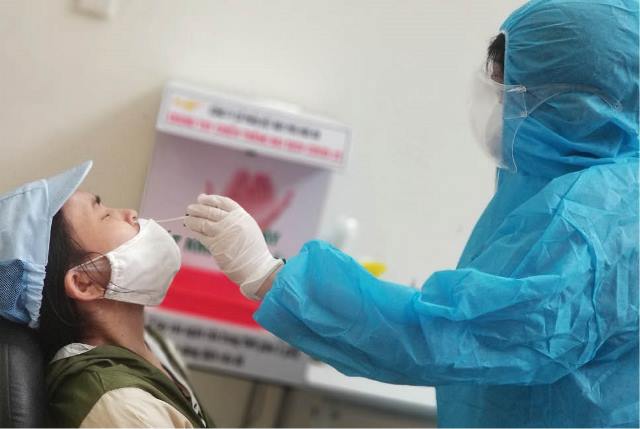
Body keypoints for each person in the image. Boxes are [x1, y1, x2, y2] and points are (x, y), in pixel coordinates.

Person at [183, 0, 639, 427]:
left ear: (575, 106)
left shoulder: (596, 220)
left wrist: (273, 278)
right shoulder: (559, 178)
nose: (502, 113)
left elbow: (459, 333)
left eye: (513, 98)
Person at [0, 161, 214, 428]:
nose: (131, 214)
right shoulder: (120, 407)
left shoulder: (147, 343)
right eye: (105, 216)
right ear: (84, 283)